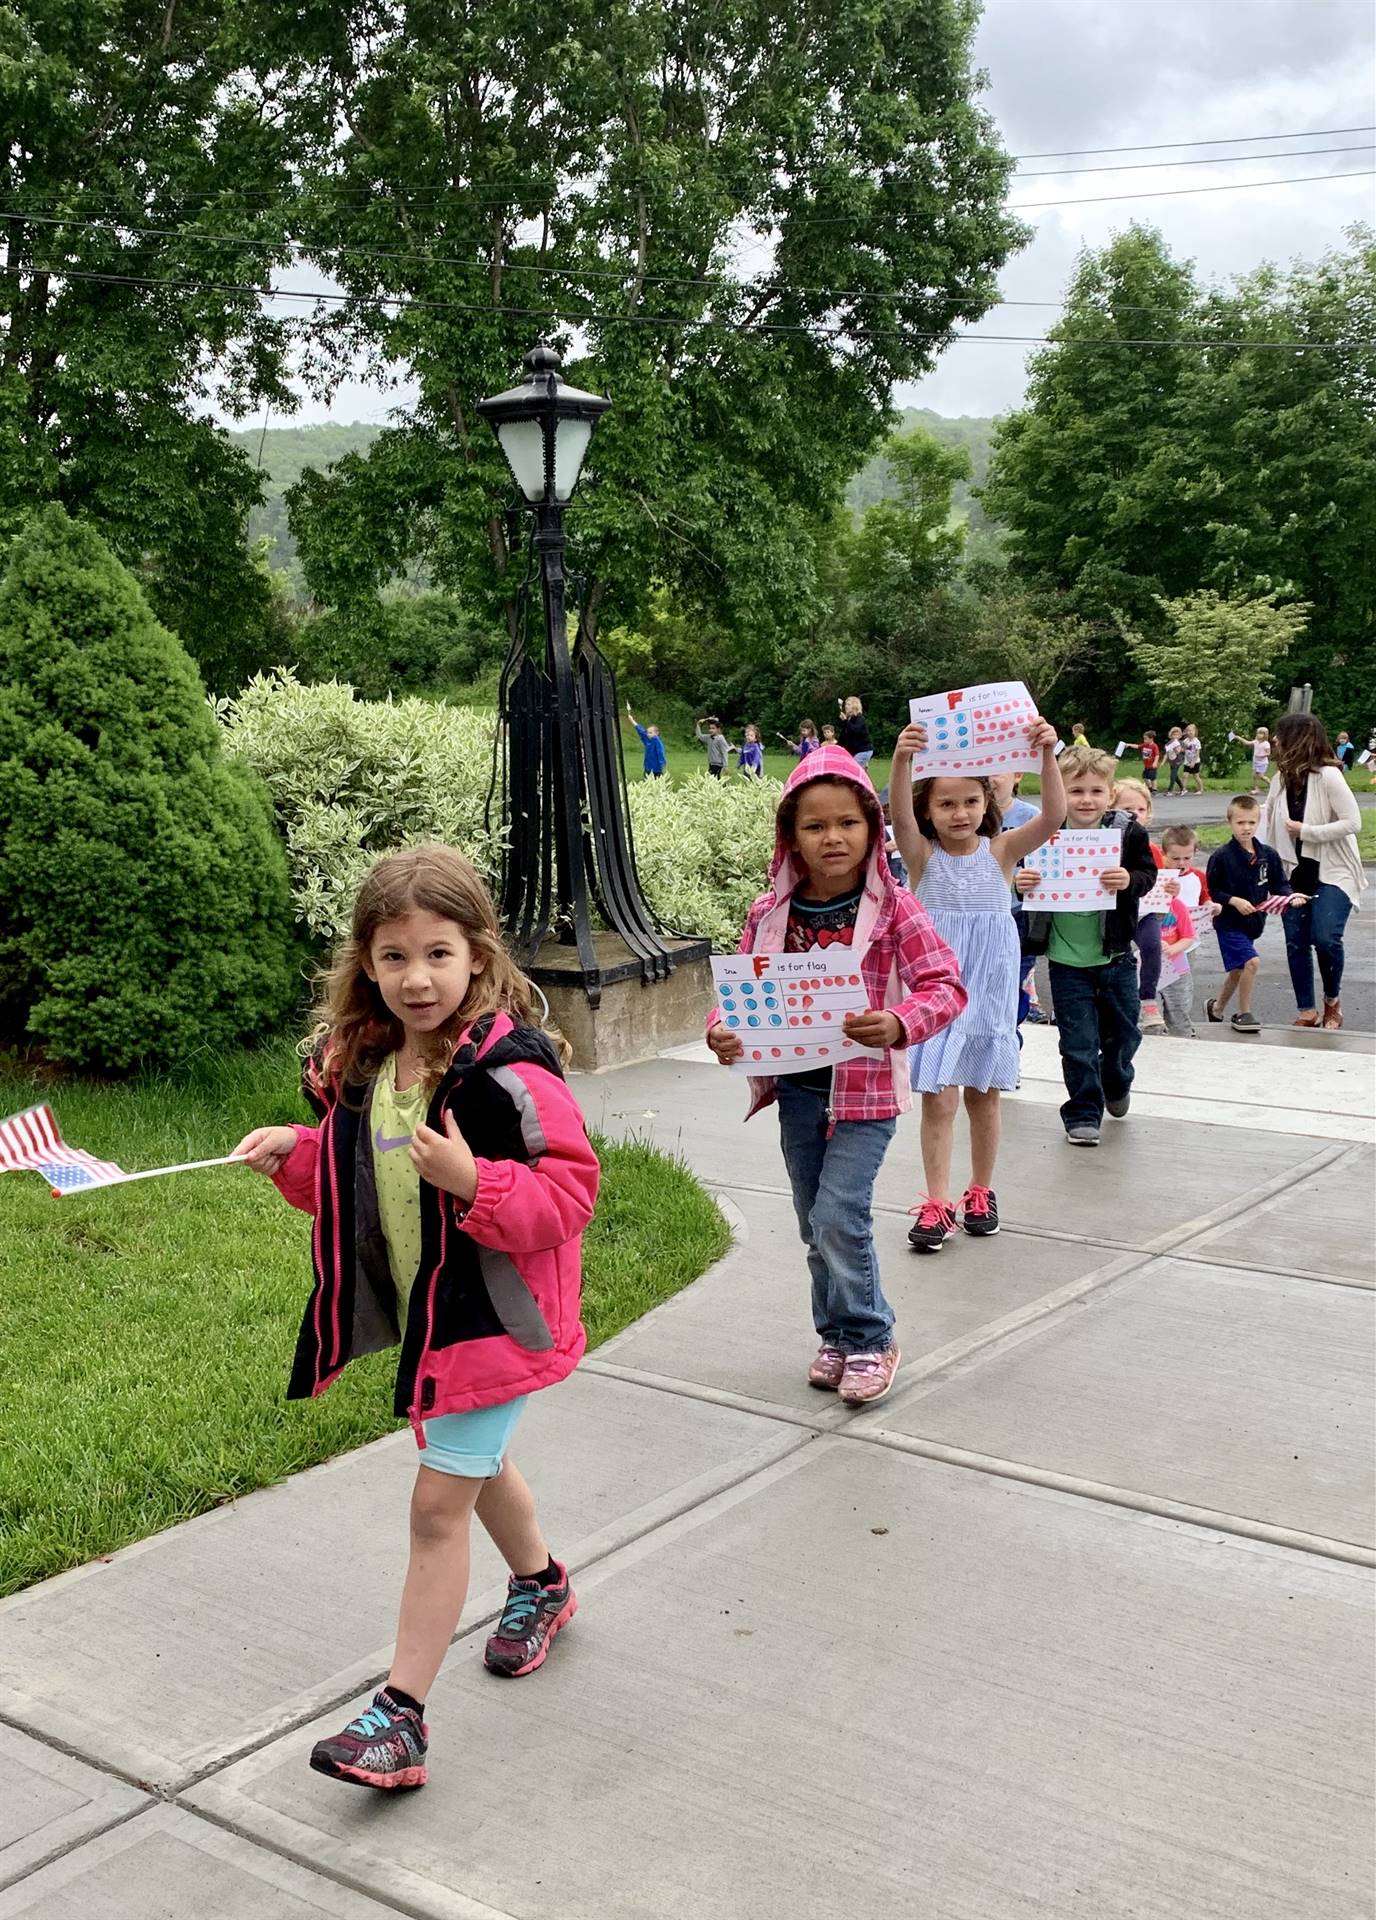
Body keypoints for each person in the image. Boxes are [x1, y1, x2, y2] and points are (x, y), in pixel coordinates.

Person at [233, 846, 598, 1791]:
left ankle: (401, 1720)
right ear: (366, 965)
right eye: (393, 957)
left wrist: (475, 1179)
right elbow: (365, 1182)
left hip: (492, 1323)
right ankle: (543, 1584)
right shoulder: (368, 1067)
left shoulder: (507, 1073)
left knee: (437, 1508)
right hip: (435, 1321)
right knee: (477, 1466)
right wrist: (297, 1153)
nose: (416, 977)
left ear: (479, 954)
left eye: (438, 953)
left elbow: (569, 1194)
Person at [706, 745, 966, 1405]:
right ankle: (836, 1335)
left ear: (872, 828)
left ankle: (874, 1337)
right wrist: (721, 1029)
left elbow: (944, 985)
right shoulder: (771, 912)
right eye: (815, 825)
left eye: (847, 823)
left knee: (838, 1214)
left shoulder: (896, 908)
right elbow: (739, 992)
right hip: (796, 1089)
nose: (833, 838)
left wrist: (900, 1021)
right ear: (790, 836)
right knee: (810, 1221)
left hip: (867, 1092)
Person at [891, 717, 1064, 1250]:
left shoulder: (1002, 852)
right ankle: (936, 1201)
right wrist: (902, 761)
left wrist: (1048, 754)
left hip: (988, 991)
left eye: (969, 802)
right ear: (928, 810)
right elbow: (897, 814)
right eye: (945, 804)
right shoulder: (921, 857)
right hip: (938, 992)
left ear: (987, 805)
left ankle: (981, 1190)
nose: (959, 813)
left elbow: (1055, 815)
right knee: (938, 1099)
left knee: (984, 1098)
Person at [1015, 746, 1158, 1146]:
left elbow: (1148, 873)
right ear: (1060, 791)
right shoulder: (1044, 831)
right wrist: (1021, 883)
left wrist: (1129, 879)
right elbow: (1022, 873)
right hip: (1066, 963)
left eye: (1096, 791)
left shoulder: (1128, 831)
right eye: (1076, 790)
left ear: (1110, 795)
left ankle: (1117, 1081)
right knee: (1077, 1044)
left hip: (1115, 956)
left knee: (1125, 1034)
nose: (1086, 800)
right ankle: (1082, 1112)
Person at [1260, 713, 1366, 1030]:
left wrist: (1306, 830)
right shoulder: (1279, 780)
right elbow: (1267, 821)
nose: (1276, 742)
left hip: (1334, 871)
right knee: (1296, 942)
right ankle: (1306, 1010)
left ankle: (1332, 1001)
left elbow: (1353, 823)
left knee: (1325, 937)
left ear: (1298, 739)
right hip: (1293, 873)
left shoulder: (1329, 776)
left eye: (1281, 736)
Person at [1204, 797, 1298, 1032]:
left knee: (1238, 970)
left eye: (1251, 822)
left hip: (1254, 923)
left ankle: (1216, 1008)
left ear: (1259, 822)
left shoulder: (1268, 855)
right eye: (1240, 822)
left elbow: (1280, 884)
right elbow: (1211, 891)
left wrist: (1290, 897)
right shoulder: (1221, 857)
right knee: (1251, 962)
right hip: (1228, 923)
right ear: (1230, 822)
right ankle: (1243, 1013)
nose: (1246, 828)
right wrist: (1233, 901)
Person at [1112, 777, 1173, 1035]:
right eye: (1127, 810)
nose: (1134, 815)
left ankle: (1147, 999)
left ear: (1148, 813)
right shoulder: (1104, 844)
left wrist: (1172, 890)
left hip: (1145, 911)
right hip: (1116, 910)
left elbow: (1160, 883)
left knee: (1151, 945)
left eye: (1140, 810)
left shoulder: (1154, 851)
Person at [990, 773, 1047, 1026]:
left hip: (1020, 913)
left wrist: (1026, 880)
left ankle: (1010, 1034)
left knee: (1013, 983)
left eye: (997, 771)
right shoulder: (969, 817)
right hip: (985, 913)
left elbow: (1048, 865)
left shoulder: (1031, 816)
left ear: (1017, 775)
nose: (989, 778)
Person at [1157, 895, 1199, 1038]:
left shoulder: (1176, 905)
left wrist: (1173, 949)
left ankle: (1183, 1042)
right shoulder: (1137, 903)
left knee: (1180, 1012)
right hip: (1145, 969)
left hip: (1176, 967)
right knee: (1150, 1020)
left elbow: (1188, 936)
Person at [624, 703, 667, 778]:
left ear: (656, 733)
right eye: (647, 732)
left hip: (656, 769)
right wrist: (632, 720)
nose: (648, 734)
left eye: (650, 732)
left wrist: (661, 765)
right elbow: (641, 731)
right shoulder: (648, 738)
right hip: (648, 767)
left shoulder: (656, 740)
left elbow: (660, 753)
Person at [837, 695, 874, 768]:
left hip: (863, 751)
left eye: (848, 704)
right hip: (856, 752)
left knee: (851, 769)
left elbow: (855, 730)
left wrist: (845, 721)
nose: (846, 706)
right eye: (846, 704)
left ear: (855, 706)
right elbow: (844, 736)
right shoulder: (849, 719)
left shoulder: (860, 719)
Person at [1234, 725, 1271, 795]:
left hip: (1262, 763)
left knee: (1261, 776)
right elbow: (1247, 743)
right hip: (1256, 761)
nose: (1258, 735)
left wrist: (1261, 755)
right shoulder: (1256, 741)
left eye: (1261, 733)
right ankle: (1256, 789)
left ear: (1265, 735)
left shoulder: (1266, 744)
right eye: (1258, 733)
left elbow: (1268, 753)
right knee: (1254, 775)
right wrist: (1238, 738)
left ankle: (1271, 784)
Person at [1181, 723, 1205, 794]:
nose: (1190, 732)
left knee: (1196, 776)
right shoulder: (1185, 740)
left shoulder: (1196, 741)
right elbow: (1183, 749)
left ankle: (1201, 789)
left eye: (1191, 731)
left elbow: (1197, 753)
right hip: (1187, 761)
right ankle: (1183, 789)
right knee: (1185, 775)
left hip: (1195, 761)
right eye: (1188, 731)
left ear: (1195, 732)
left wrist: (1193, 762)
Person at [1163, 726, 1185, 795]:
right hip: (1172, 761)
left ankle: (1169, 791)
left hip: (1178, 760)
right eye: (1174, 734)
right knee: (1175, 776)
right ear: (1171, 735)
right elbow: (1166, 753)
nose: (1176, 736)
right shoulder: (1168, 743)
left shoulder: (1181, 743)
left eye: (1177, 734)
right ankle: (1183, 789)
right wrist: (1163, 762)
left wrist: (1176, 749)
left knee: (1172, 775)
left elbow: (1181, 751)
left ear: (1180, 735)